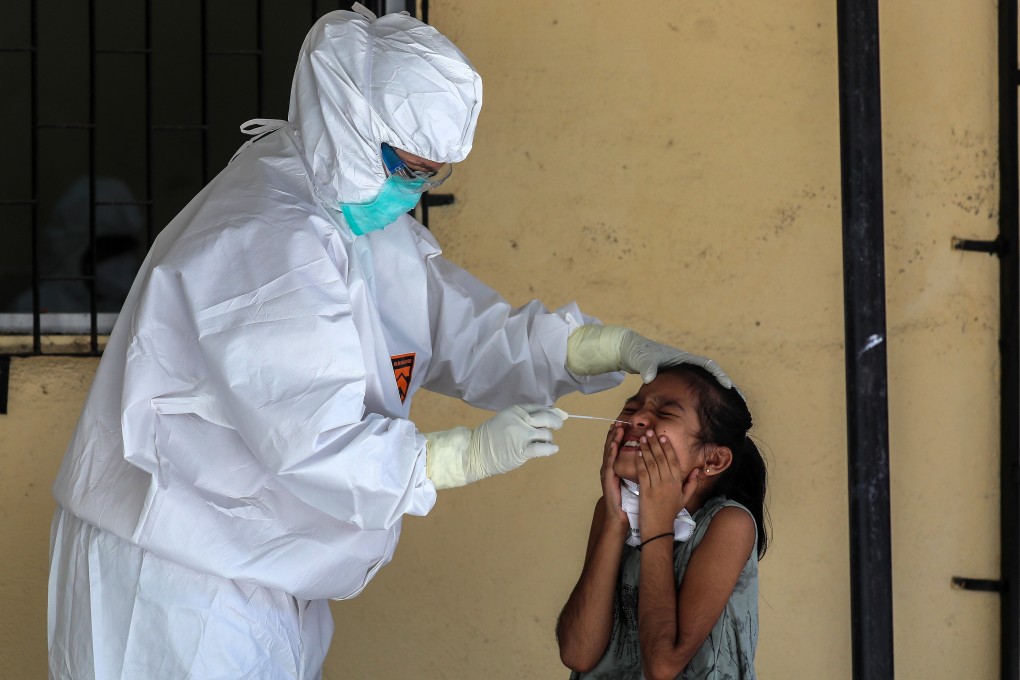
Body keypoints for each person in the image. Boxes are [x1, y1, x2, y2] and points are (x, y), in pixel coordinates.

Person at [47, 5, 730, 680]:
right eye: (406, 166)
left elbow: (462, 329)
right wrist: (459, 457)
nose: (414, 189)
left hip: (261, 571)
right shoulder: (264, 237)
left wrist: (606, 349)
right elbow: (312, 438)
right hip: (176, 581)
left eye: (432, 174)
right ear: (347, 124)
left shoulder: (362, 223)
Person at [556, 364, 767, 680]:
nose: (636, 418)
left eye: (666, 414)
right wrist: (615, 522)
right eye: (631, 406)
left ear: (713, 460)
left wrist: (657, 524)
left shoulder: (729, 524)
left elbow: (663, 666)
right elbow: (577, 653)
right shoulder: (612, 510)